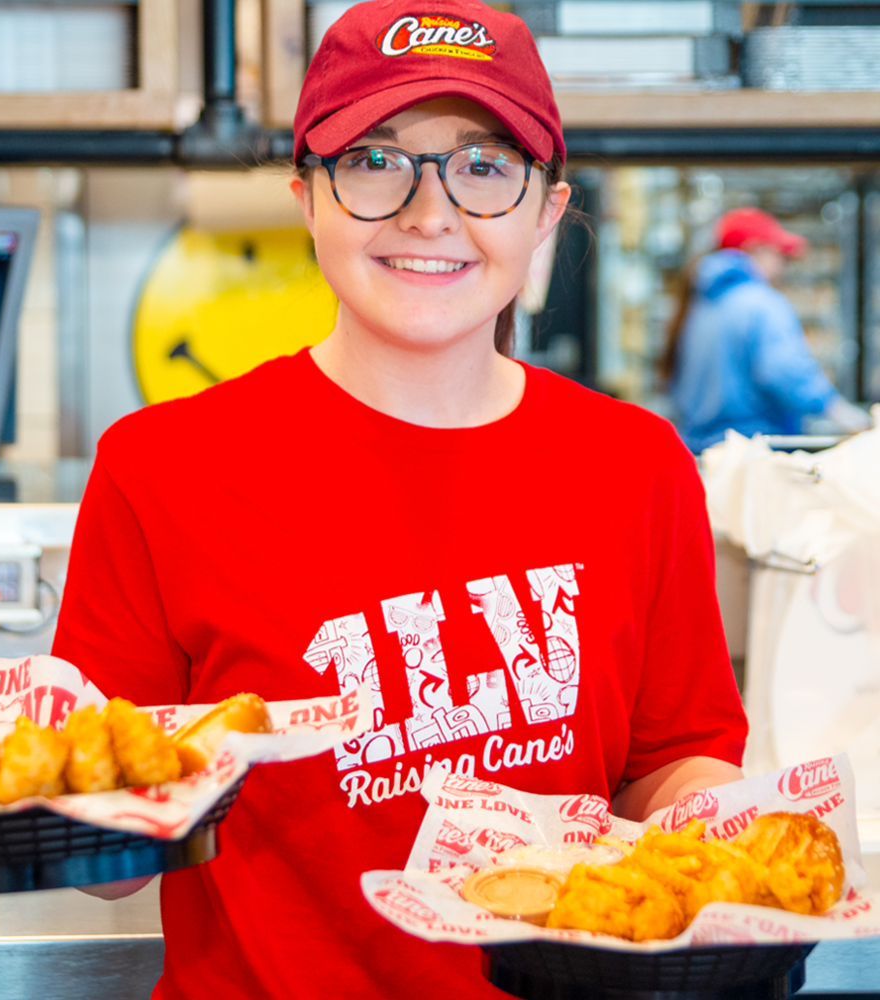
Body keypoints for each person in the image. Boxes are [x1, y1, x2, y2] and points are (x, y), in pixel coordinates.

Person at [52, 2, 748, 997]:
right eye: (375, 161)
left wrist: (737, 841)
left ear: (547, 207)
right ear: (308, 198)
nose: (431, 213)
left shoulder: (637, 463)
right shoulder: (161, 466)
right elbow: (107, 872)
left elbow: (673, 759)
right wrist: (52, 808)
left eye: (483, 163)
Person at [665, 206, 871, 454]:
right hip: (754, 452)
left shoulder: (700, 303)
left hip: (703, 453)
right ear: (756, 248)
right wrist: (838, 410)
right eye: (781, 257)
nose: (784, 268)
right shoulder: (760, 303)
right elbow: (786, 372)